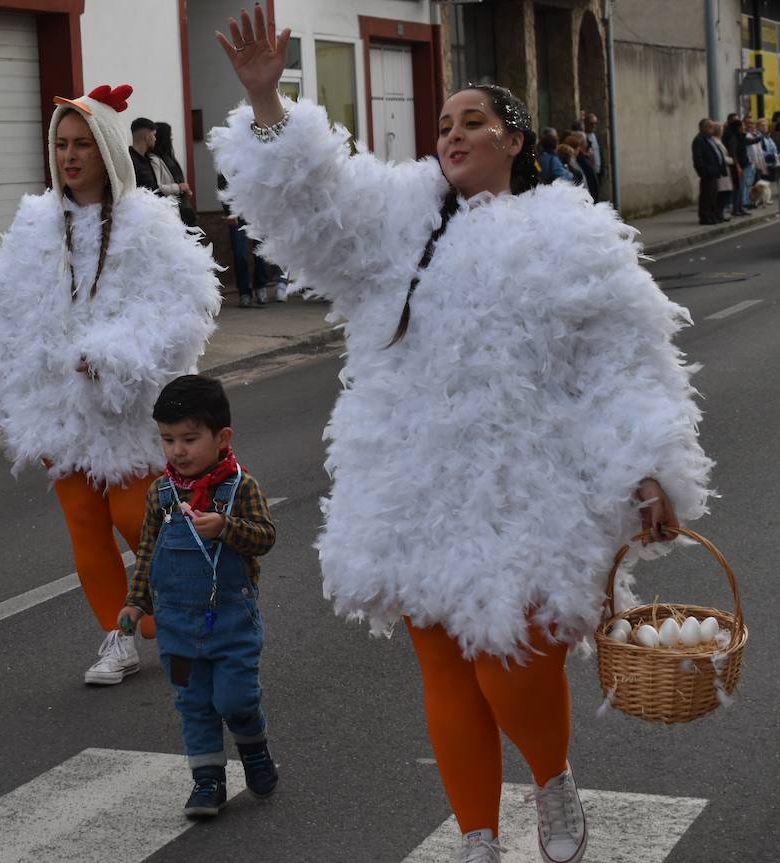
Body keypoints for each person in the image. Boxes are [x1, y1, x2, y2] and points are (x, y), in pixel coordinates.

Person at [211, 8, 711, 862]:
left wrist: (651, 467)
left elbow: (628, 361)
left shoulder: (572, 231)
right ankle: (478, 836)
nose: (453, 133)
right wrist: (266, 103)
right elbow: (310, 208)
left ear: (515, 140)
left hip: (530, 489)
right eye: (443, 123)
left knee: (511, 661)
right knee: (445, 669)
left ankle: (550, 780)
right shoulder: (400, 220)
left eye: (473, 120)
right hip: (418, 485)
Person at [0, 84, 220, 686]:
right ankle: (118, 637)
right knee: (83, 525)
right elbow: (3, 314)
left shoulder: (149, 223)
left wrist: (114, 353)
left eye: (82, 145)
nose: (70, 157)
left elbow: (184, 310)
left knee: (137, 521)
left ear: (107, 152)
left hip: (129, 408)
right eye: (61, 145)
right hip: (59, 408)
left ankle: (180, 616)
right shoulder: (35, 225)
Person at [119, 375, 277, 819]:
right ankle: (207, 782)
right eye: (168, 440)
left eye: (189, 439)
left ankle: (254, 746)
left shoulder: (240, 488)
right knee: (194, 704)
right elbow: (148, 552)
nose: (177, 451)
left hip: (229, 620)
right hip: (177, 626)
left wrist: (226, 528)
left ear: (221, 437)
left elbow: (266, 537)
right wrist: (136, 602)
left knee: (234, 700)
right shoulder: (161, 493)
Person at [217, 172, 269, 307]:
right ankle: (244, 291)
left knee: (261, 251)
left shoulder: (257, 159)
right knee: (240, 253)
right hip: (237, 214)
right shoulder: (227, 162)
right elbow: (223, 186)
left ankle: (261, 286)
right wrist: (229, 212)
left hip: (258, 214)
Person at [152, 121, 198, 227]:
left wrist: (186, 189)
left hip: (184, 205)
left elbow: (177, 178)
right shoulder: (155, 159)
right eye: (170, 135)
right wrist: (179, 187)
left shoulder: (169, 157)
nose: (172, 138)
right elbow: (159, 187)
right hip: (173, 209)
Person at [692, 117, 724, 225]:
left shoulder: (710, 139)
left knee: (713, 196)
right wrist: (704, 172)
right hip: (707, 173)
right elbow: (698, 159)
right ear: (703, 128)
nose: (712, 129)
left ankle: (712, 215)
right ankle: (705, 217)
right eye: (710, 127)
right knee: (706, 196)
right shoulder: (699, 140)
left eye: (713, 126)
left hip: (714, 172)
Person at [711, 120, 735, 221]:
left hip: (725, 170)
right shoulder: (715, 141)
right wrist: (731, 160)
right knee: (723, 193)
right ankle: (719, 213)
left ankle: (720, 213)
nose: (723, 131)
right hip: (722, 170)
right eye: (721, 129)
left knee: (726, 192)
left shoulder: (719, 141)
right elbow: (721, 157)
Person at [129, 116, 160, 192]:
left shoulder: (147, 159)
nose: (155, 139)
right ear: (147, 137)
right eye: (154, 135)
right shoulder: (129, 160)